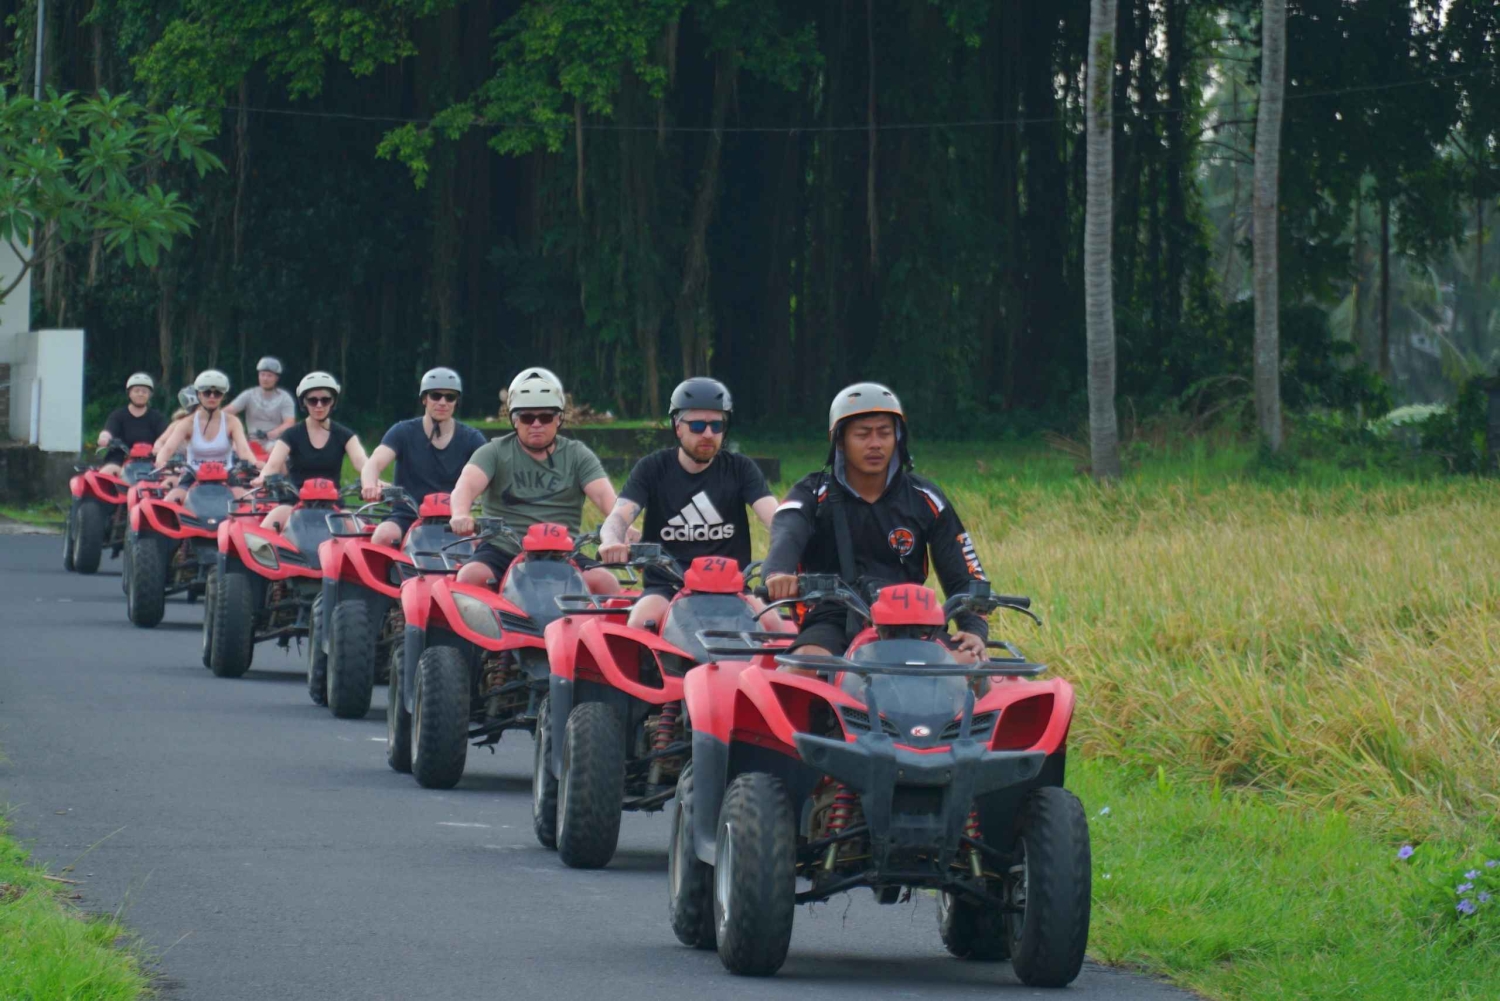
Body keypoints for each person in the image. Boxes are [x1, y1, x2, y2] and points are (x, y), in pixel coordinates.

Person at [763, 382, 990, 662]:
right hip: (834, 617)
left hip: (913, 622)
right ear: (840, 440)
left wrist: (974, 631)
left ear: (898, 438)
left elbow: (965, 576)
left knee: (971, 664)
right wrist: (777, 574)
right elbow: (787, 532)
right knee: (805, 665)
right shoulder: (811, 493)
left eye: (884, 433)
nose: (875, 444)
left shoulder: (926, 498)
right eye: (862, 434)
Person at [598, 377, 780, 630]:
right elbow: (618, 517)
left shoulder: (740, 469)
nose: (708, 434)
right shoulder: (652, 468)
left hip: (731, 587)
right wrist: (611, 542)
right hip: (668, 587)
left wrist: (793, 548)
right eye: (697, 425)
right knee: (640, 623)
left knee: (775, 627)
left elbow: (777, 518)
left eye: (717, 425)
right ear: (677, 427)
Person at [449, 367, 619, 592]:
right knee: (471, 576)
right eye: (528, 417)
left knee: (606, 583)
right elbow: (466, 485)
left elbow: (606, 497)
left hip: (563, 552)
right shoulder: (494, 452)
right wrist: (461, 513)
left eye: (545, 417)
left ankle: (583, 628)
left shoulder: (578, 455)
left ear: (558, 419)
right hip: (502, 550)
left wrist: (620, 526)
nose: (536, 424)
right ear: (514, 420)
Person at [359, 367, 488, 548]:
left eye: (450, 397)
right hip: (407, 513)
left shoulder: (472, 438)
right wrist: (369, 485)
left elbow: (493, 471)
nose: (443, 402)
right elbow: (375, 462)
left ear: (456, 402)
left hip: (454, 518)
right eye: (436, 396)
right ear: (424, 399)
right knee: (383, 535)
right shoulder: (402, 431)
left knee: (481, 546)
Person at [255, 373, 369, 531]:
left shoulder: (345, 435)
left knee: (364, 535)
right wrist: (263, 477)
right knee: (263, 535)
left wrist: (375, 480)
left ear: (333, 402)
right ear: (304, 403)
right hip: (294, 503)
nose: (319, 405)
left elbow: (361, 462)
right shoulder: (290, 434)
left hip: (334, 505)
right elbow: (273, 464)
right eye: (313, 400)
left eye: (325, 400)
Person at [154, 370, 261, 503]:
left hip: (226, 475)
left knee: (251, 505)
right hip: (193, 475)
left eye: (217, 393)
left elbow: (244, 451)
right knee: (168, 503)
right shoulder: (187, 423)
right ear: (199, 395)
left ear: (223, 396)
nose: (212, 396)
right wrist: (162, 462)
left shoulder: (232, 421)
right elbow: (168, 448)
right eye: (207, 392)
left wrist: (256, 464)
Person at [96, 373, 168, 476]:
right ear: (129, 393)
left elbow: (166, 436)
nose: (140, 394)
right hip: (120, 459)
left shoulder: (157, 417)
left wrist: (160, 447)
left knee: (170, 475)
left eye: (144, 391)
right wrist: (104, 438)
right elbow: (108, 431)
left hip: (150, 461)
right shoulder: (118, 415)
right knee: (107, 473)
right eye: (136, 391)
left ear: (150, 395)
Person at [225, 356, 295, 443]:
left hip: (276, 443)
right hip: (251, 442)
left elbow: (289, 423)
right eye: (262, 374)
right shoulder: (249, 395)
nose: (265, 379)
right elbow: (229, 410)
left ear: (276, 378)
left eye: (269, 376)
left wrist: (273, 433)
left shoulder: (285, 398)